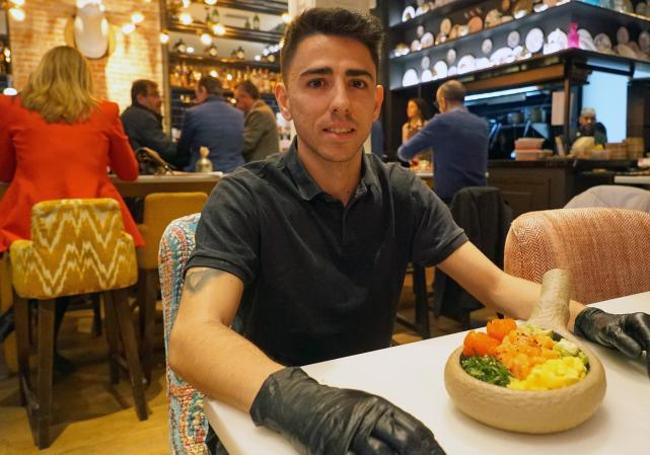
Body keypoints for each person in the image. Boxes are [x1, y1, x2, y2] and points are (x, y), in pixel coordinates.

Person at [168, 8, 650, 455]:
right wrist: (308, 405)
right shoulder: (244, 195)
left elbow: (496, 285)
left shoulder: (400, 190)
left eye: (356, 83)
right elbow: (192, 338)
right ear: (285, 98)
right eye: (317, 82)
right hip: (266, 417)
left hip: (378, 401)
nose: (340, 102)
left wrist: (591, 320)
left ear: (376, 101)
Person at [0, 45, 143, 371]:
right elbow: (129, 173)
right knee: (67, 258)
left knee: (47, 262)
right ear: (83, 76)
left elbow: (4, 172)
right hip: (96, 237)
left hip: (31, 230)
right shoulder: (105, 112)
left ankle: (21, 325)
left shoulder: (11, 109)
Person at [397, 80, 488, 203]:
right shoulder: (481, 124)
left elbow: (404, 152)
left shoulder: (441, 121)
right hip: (480, 201)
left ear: (443, 102)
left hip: (450, 202)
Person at [176, 76, 244, 172]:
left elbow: (183, 150)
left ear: (203, 90)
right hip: (234, 174)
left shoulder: (193, 113)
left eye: (196, 93)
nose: (196, 98)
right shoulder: (239, 114)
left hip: (204, 174)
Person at [120, 79, 179, 167]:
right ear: (140, 98)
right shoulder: (143, 118)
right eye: (154, 95)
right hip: (145, 174)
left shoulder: (129, 114)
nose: (160, 100)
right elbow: (166, 150)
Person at [234, 80, 280, 162]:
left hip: (261, 168)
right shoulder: (263, 110)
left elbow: (246, 144)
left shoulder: (258, 113)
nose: (236, 105)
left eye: (237, 100)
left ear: (245, 96)